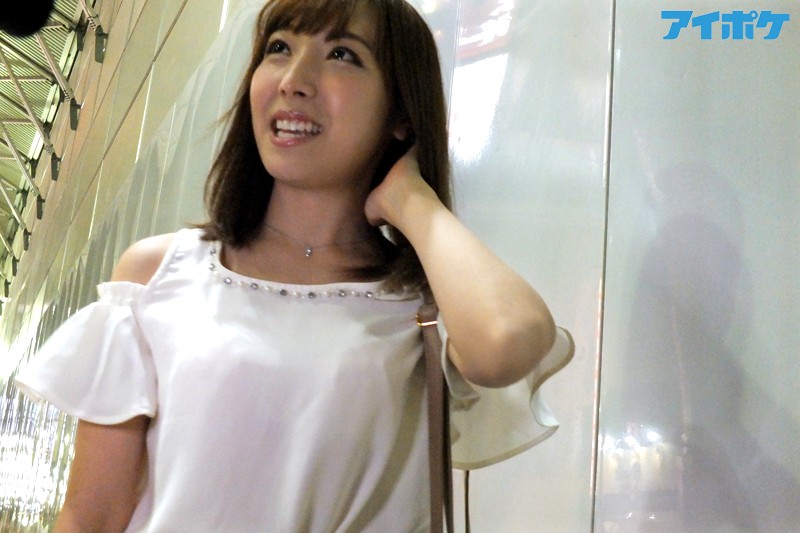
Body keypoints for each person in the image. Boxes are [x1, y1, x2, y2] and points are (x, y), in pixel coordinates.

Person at [16, 0, 574, 530]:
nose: (293, 80)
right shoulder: (158, 273)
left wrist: (413, 202)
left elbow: (507, 345)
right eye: (279, 47)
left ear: (401, 116)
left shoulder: (425, 297)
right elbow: (91, 518)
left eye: (342, 54)